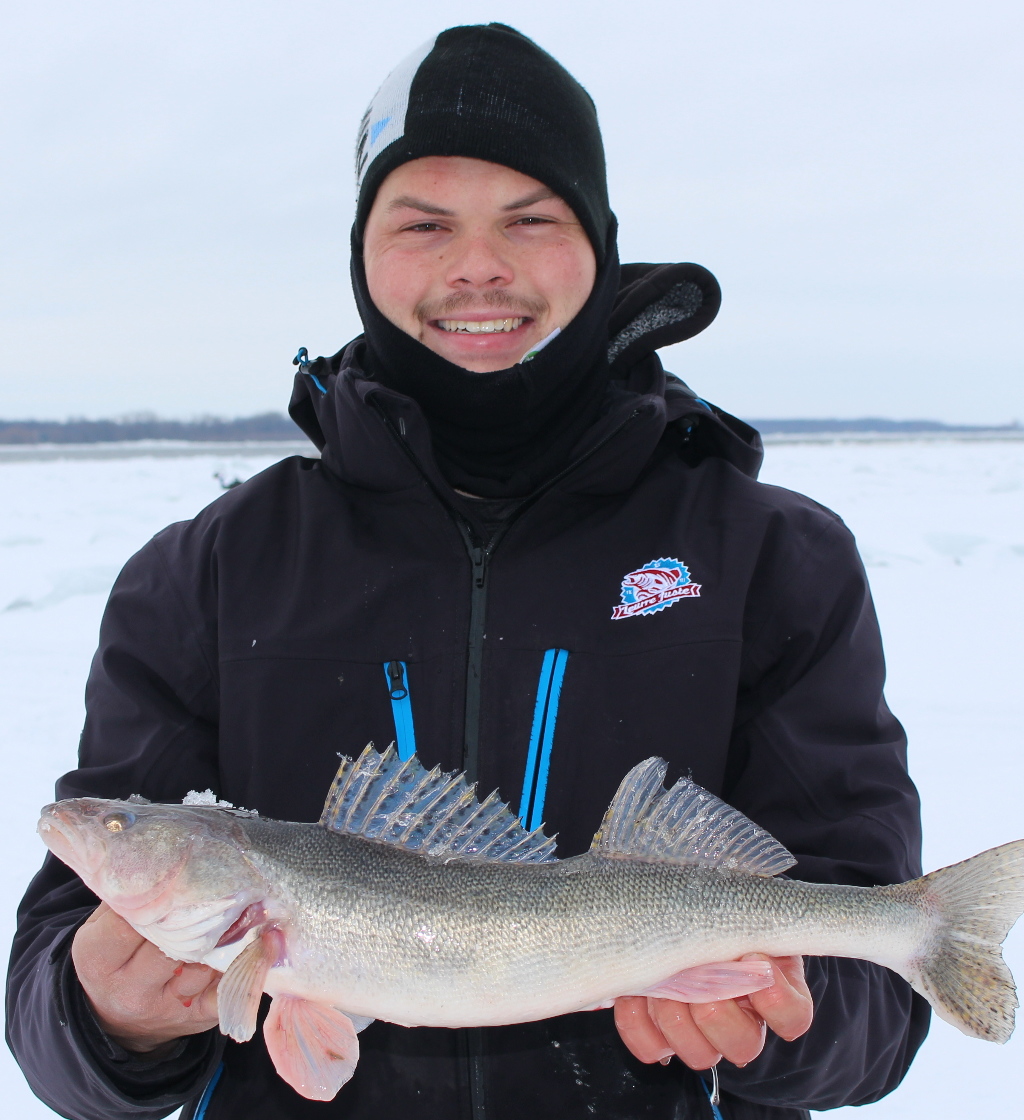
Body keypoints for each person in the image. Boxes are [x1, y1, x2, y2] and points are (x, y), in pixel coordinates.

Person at [7, 23, 930, 1120]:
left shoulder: (772, 558)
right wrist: (106, 1020)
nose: (476, 264)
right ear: (362, 252)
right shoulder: (203, 573)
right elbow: (48, 1009)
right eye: (423, 222)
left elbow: (871, 1006)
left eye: (529, 219)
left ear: (599, 243)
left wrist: (789, 1016)